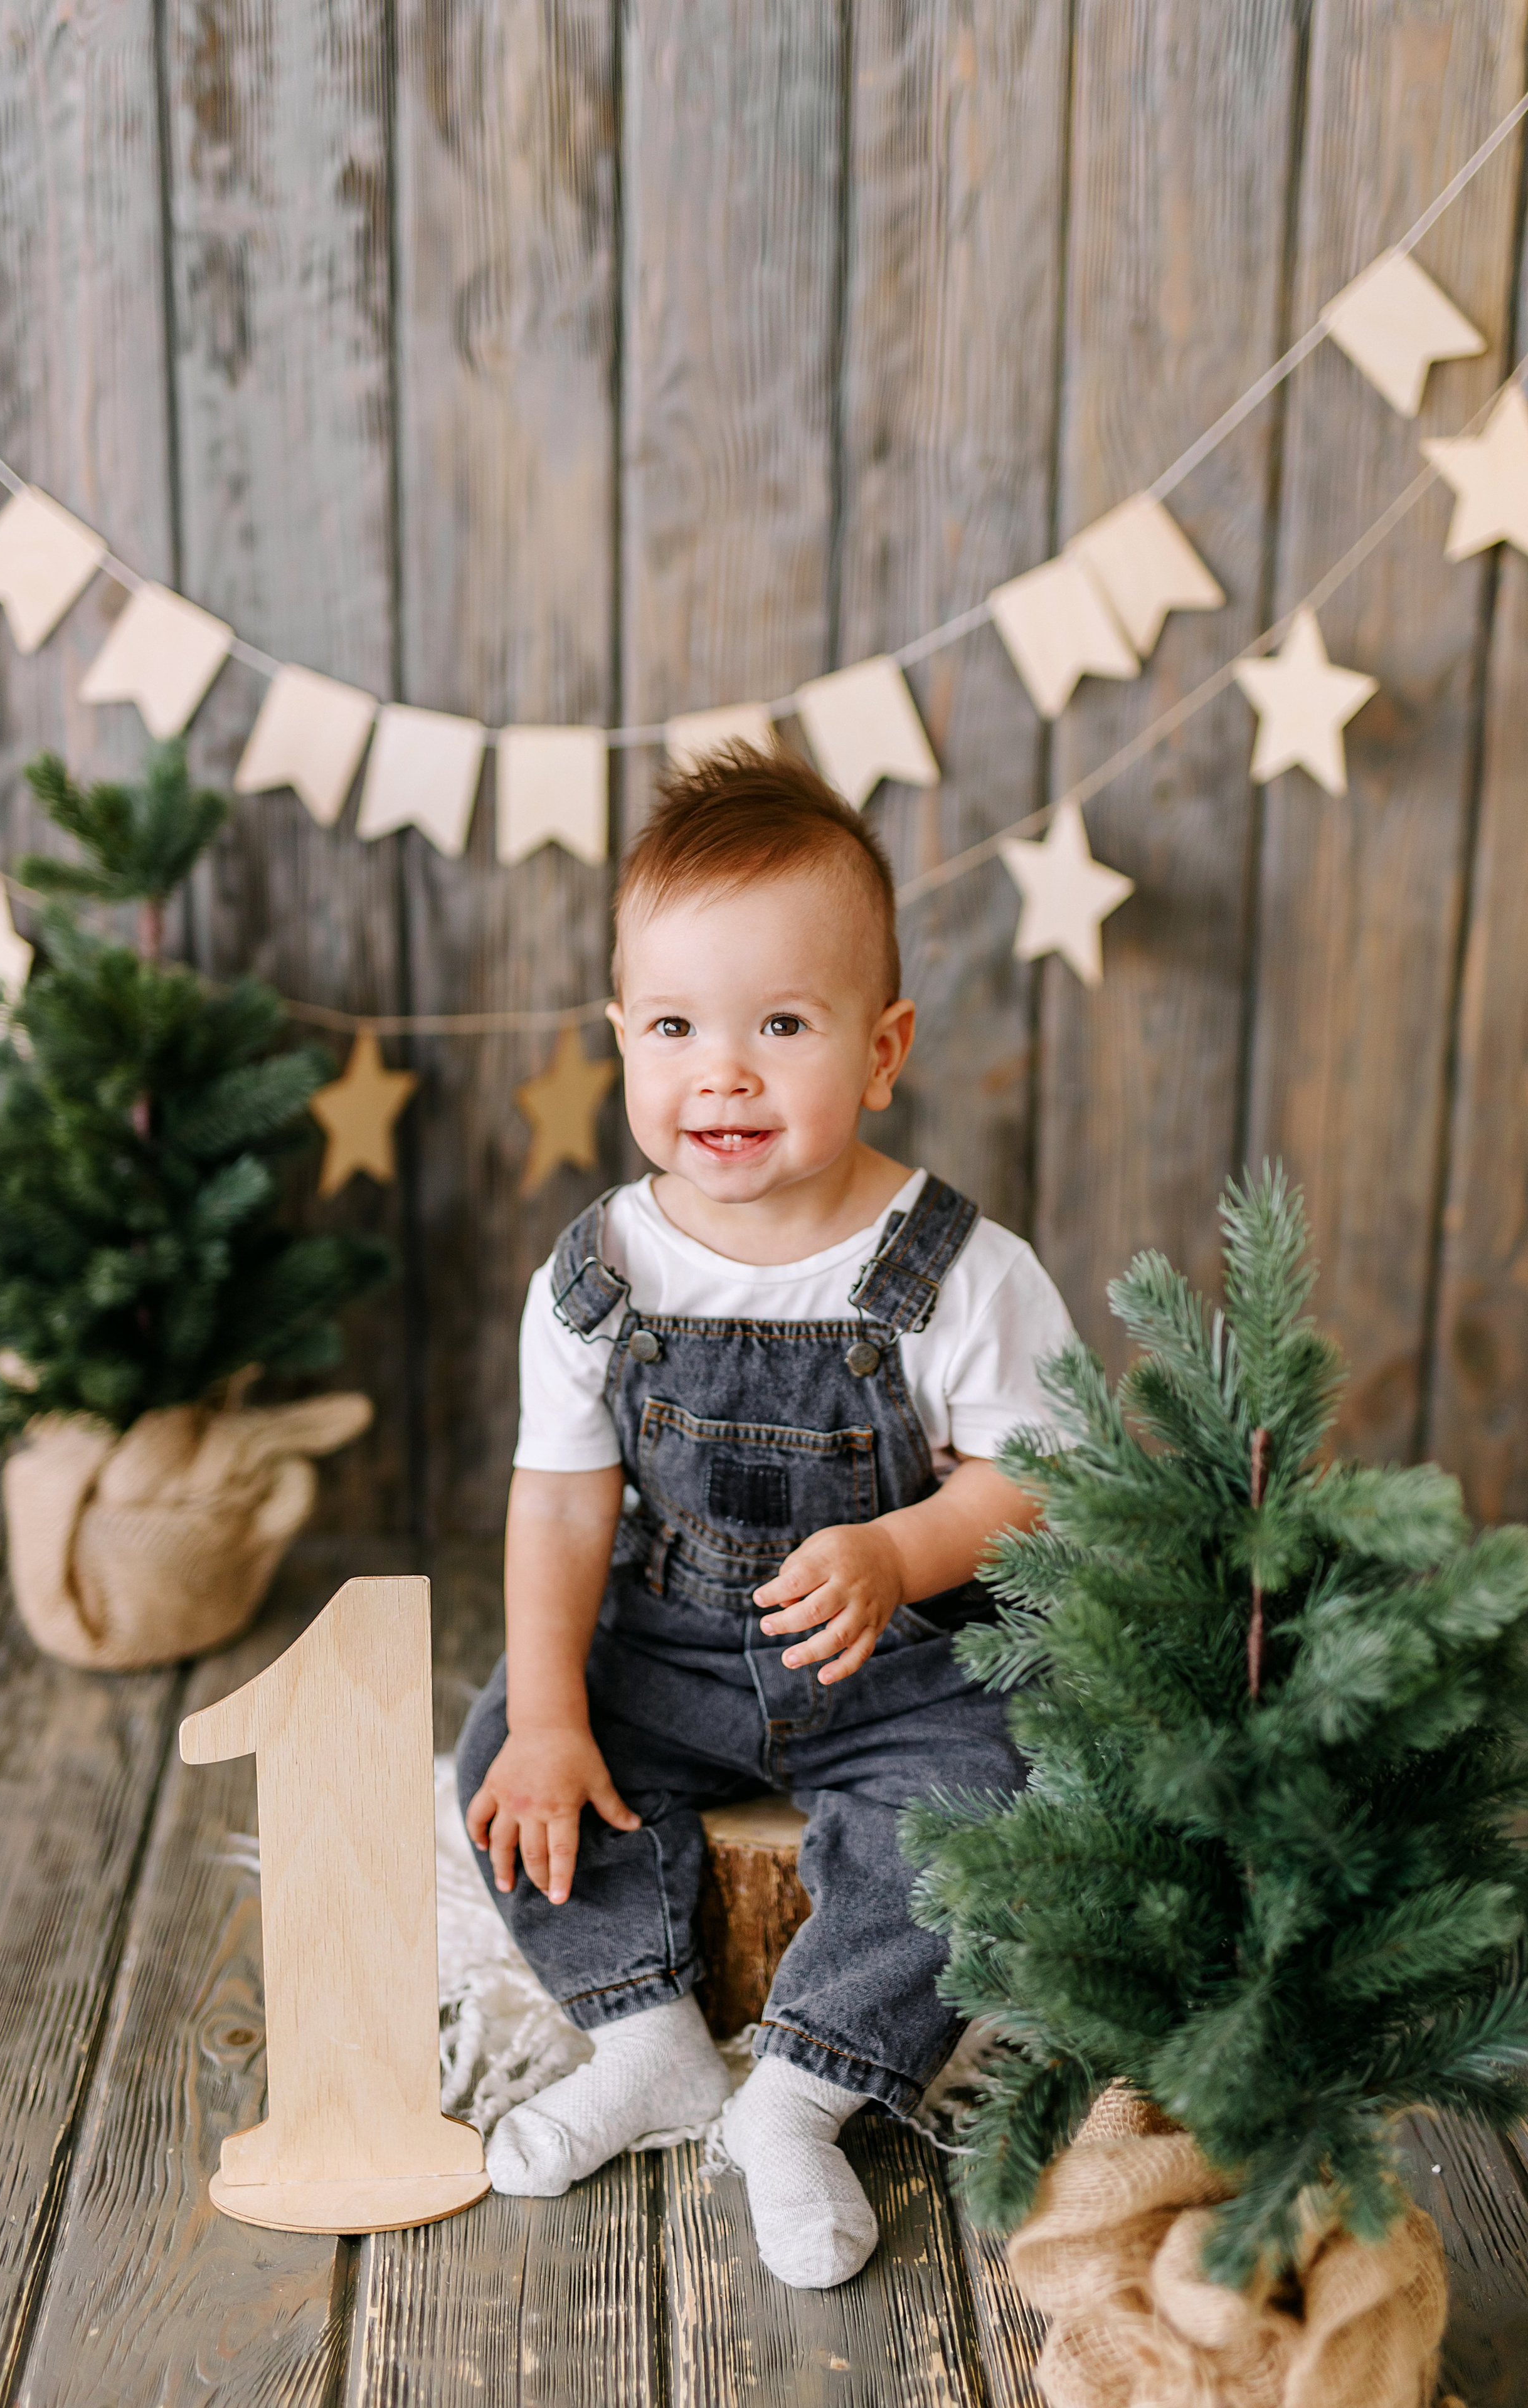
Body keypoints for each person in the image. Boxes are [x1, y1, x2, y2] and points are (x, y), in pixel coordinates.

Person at [457, 742, 1075, 2289]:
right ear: (620, 1037)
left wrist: (899, 1549)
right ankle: (646, 2037)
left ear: (881, 1049)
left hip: (892, 1664)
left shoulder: (956, 1272)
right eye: (674, 1027)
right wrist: (551, 1716)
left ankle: (804, 2089)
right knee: (506, 1752)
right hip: (669, 1645)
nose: (720, 1074)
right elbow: (560, 1500)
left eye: (780, 1025)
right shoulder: (599, 1274)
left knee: (994, 1795)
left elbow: (1035, 1482)